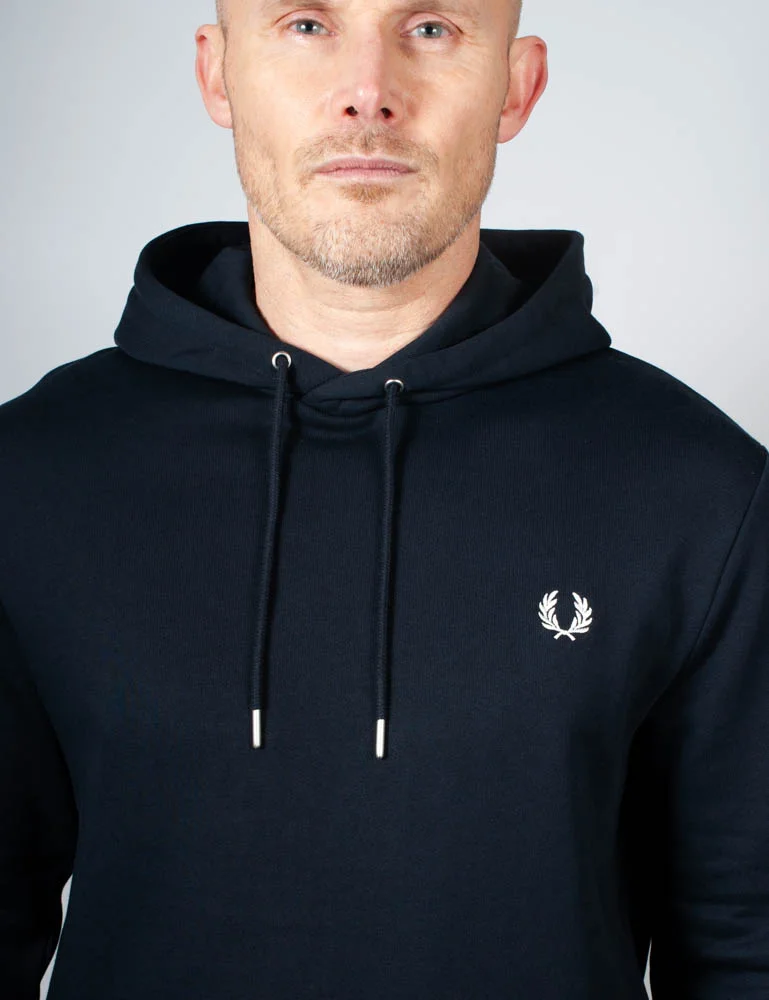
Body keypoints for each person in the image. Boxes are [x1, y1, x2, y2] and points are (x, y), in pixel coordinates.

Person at [2, 0, 767, 996]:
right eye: (306, 24)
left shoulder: (700, 492)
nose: (367, 93)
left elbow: (746, 946)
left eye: (431, 27)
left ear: (516, 86)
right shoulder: (33, 474)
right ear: (217, 74)